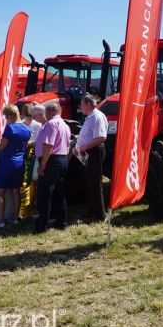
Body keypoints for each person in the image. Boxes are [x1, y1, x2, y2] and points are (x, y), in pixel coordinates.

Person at [0, 104, 31, 229]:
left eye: (6, 117)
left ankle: (0, 220)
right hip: (19, 162)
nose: (6, 119)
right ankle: (15, 218)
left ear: (11, 115)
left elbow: (2, 146)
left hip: (6, 163)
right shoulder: (27, 129)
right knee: (15, 191)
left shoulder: (10, 128)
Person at [35, 102, 71, 232]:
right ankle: (61, 221)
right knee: (59, 192)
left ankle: (42, 224)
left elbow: (48, 146)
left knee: (45, 192)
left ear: (49, 112)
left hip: (52, 160)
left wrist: (43, 164)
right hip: (61, 159)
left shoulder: (51, 124)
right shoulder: (65, 125)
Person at [74, 94, 108, 222]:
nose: (80, 107)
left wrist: (84, 147)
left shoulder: (97, 116)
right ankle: (92, 211)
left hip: (94, 151)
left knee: (94, 183)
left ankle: (99, 215)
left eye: (82, 104)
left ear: (88, 104)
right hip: (89, 151)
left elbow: (100, 138)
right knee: (89, 182)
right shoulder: (91, 116)